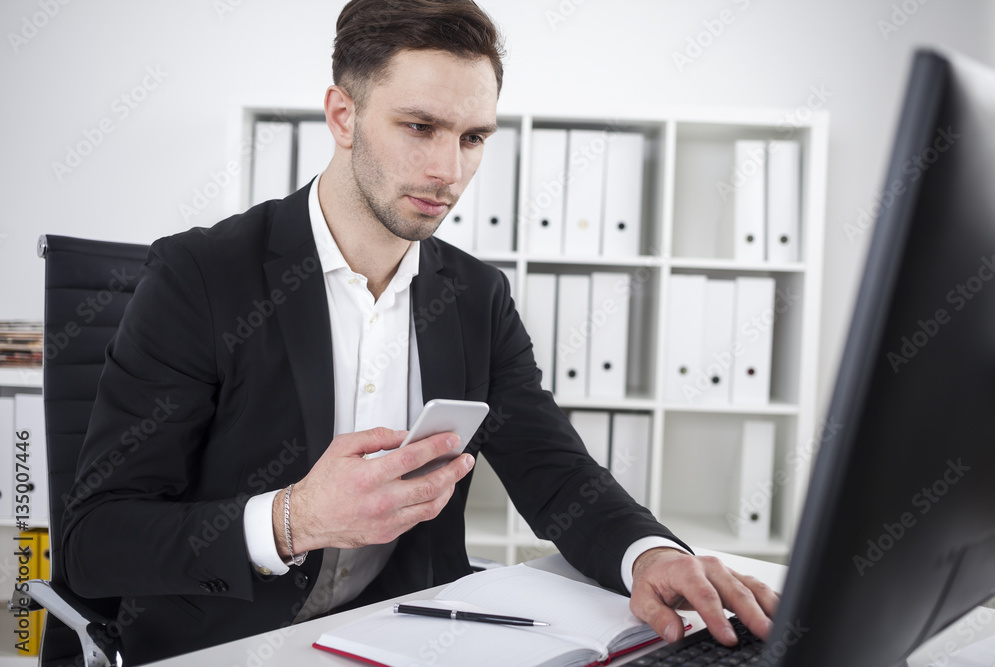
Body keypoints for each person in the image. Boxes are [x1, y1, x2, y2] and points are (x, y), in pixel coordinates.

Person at [63, 0, 778, 662]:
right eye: (419, 127)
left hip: (406, 637)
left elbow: (557, 474)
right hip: (228, 644)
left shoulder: (475, 296)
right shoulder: (202, 275)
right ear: (342, 116)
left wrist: (651, 556)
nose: (449, 170)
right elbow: (94, 541)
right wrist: (293, 519)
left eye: (473, 138)